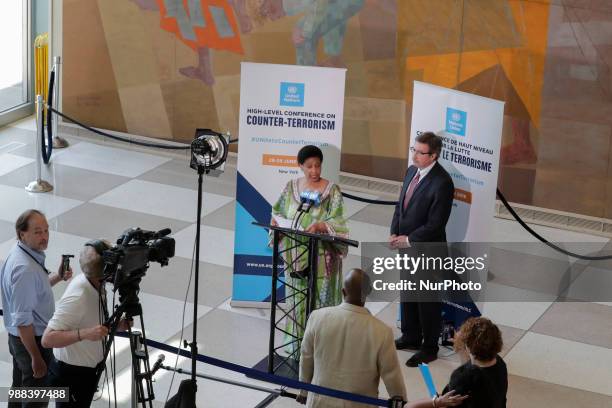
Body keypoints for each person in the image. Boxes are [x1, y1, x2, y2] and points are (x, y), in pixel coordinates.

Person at [270, 144, 348, 355]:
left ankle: (321, 349)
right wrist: (277, 224)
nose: (314, 171)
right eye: (309, 166)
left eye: (318, 166)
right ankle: (297, 345)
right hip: (296, 254)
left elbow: (339, 221)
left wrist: (322, 226)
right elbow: (277, 211)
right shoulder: (291, 187)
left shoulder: (331, 191)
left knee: (319, 300)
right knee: (297, 298)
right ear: (300, 166)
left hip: (323, 258)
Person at [390, 131, 455, 367]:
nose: (415, 155)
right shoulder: (411, 171)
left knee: (427, 300)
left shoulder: (443, 182)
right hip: (405, 246)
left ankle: (429, 347)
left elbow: (435, 224)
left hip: (428, 251)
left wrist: (407, 239)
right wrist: (394, 231)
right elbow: (401, 206)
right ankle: (411, 336)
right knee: (408, 292)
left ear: (433, 155)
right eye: (413, 150)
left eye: (420, 152)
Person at [298, 268, 405, 407]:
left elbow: (306, 357)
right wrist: (402, 403)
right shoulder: (382, 332)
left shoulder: (317, 317)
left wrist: (303, 391)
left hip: (318, 403)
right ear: (369, 292)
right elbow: (392, 375)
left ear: (343, 292)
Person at [42, 240, 131, 407]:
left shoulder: (96, 282)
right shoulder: (79, 296)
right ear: (105, 270)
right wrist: (85, 334)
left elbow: (91, 323)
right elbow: (47, 339)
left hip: (85, 373)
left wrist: (115, 327)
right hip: (70, 376)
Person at [0, 209, 73, 408]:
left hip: (19, 339)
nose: (44, 237)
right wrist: (36, 357)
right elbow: (24, 322)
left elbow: (32, 294)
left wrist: (57, 277)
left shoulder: (20, 254)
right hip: (32, 341)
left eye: (47, 231)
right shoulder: (25, 269)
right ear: (22, 234)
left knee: (20, 388)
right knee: (36, 398)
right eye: (38, 232)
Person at [441, 317, 508, 408]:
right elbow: (471, 368)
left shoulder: (462, 377)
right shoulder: (500, 363)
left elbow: (449, 403)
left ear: (467, 346)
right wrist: (462, 351)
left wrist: (435, 402)